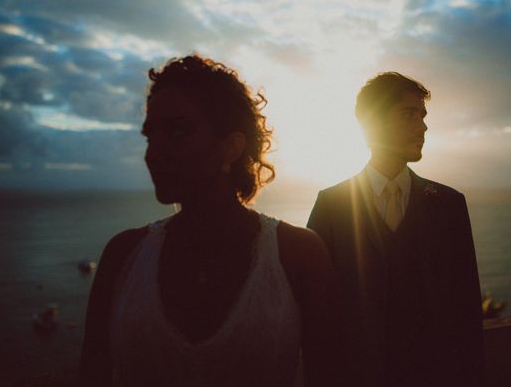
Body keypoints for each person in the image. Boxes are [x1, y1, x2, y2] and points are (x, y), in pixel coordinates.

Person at [79, 55, 340, 387]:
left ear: (231, 147)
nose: (154, 152)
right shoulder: (123, 256)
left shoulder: (298, 256)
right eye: (150, 135)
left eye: (177, 131)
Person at [307, 72, 484, 387]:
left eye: (423, 115)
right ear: (372, 123)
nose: (424, 126)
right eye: (409, 114)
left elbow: (467, 310)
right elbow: (315, 314)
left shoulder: (450, 205)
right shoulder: (331, 206)